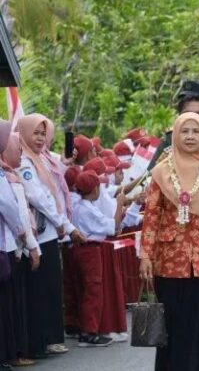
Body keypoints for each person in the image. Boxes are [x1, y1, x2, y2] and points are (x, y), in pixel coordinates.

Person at [139, 113, 199, 371]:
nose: (191, 136)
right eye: (185, 131)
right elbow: (151, 216)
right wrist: (146, 256)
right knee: (175, 327)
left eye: (196, 131)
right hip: (170, 262)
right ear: (175, 136)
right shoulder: (161, 171)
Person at [16, 114, 86, 358]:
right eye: (35, 133)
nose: (39, 138)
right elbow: (39, 197)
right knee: (40, 291)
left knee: (50, 288)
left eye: (43, 134)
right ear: (23, 133)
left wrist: (65, 163)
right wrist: (67, 226)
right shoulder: (24, 162)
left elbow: (54, 184)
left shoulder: (42, 158)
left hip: (49, 233)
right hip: (39, 234)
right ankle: (40, 340)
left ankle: (49, 338)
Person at [70, 169, 127, 347]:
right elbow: (112, 226)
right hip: (90, 251)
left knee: (86, 289)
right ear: (94, 189)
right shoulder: (88, 210)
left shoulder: (80, 206)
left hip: (82, 250)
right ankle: (90, 332)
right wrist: (120, 204)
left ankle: (86, 329)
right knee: (93, 291)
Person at [1, 130, 40, 368]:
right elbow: (8, 206)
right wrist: (22, 233)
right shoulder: (5, 175)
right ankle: (7, 354)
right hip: (6, 246)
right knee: (6, 304)